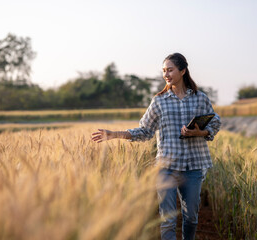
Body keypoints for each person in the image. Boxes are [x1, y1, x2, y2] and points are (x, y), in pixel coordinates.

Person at [91, 53, 221, 240]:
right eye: (164, 71)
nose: (166, 74)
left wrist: (200, 133)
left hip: (193, 166)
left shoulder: (200, 98)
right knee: (167, 219)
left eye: (170, 70)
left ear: (182, 71)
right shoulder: (159, 101)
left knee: (191, 217)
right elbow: (145, 130)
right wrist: (115, 135)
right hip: (166, 167)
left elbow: (215, 121)